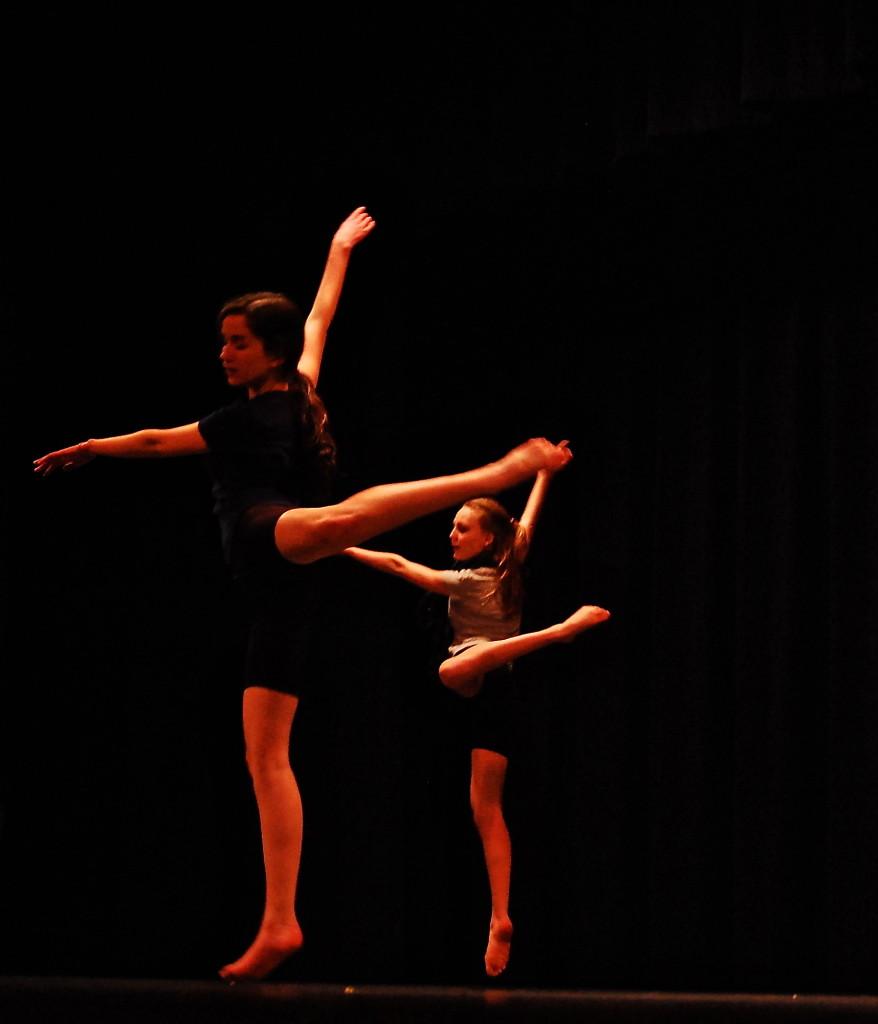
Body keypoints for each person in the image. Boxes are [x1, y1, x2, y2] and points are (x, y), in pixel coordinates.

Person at [33, 204, 573, 983]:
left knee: (335, 522)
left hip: (268, 534)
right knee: (264, 756)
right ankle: (280, 921)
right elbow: (321, 314)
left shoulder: (240, 420)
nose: (223, 353)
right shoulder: (303, 387)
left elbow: (156, 441)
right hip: (280, 597)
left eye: (237, 343)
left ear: (268, 353)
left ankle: (491, 475)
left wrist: (93, 448)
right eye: (223, 341)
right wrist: (337, 250)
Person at [343, 461, 610, 977]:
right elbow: (527, 520)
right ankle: (500, 916)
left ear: (488, 539)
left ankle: (555, 633)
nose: (452, 533)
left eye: (462, 527)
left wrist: (342, 542)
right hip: (499, 688)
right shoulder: (513, 558)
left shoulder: (467, 582)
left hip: (476, 678)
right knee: (484, 807)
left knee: (450, 669)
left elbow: (400, 566)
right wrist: (545, 474)